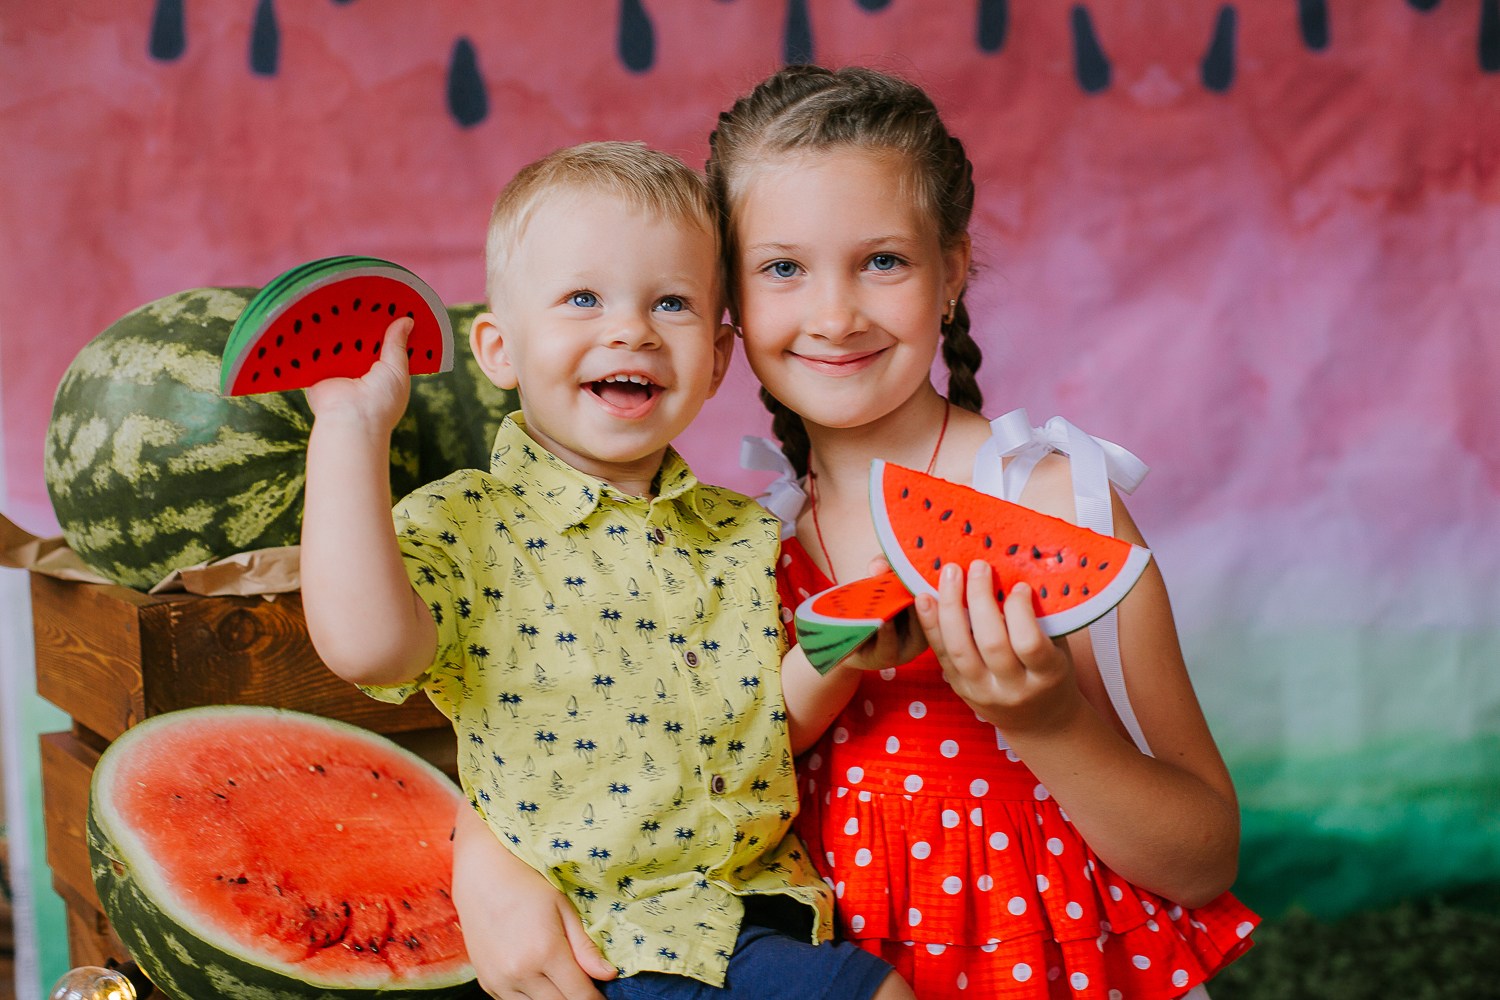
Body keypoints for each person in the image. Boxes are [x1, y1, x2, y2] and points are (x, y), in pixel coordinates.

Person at [453, 66, 1259, 999]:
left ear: (951, 272)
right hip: (817, 960)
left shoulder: (1050, 500)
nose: (834, 315)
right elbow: (598, 744)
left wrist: (1046, 720)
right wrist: (484, 851)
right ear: (729, 308)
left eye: (883, 260)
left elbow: (1202, 858)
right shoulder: (734, 547)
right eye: (782, 268)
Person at [299, 140, 919, 1000]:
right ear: (499, 349)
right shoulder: (473, 524)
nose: (629, 329)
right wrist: (352, 428)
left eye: (670, 303)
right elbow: (368, 648)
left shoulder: (739, 533)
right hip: (603, 943)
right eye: (583, 297)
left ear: (715, 359)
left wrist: (836, 653)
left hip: (760, 910)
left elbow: (766, 731)